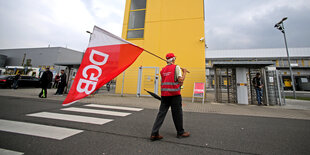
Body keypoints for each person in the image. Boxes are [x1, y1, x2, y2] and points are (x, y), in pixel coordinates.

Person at [150, 53, 190, 141]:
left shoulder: (163, 70)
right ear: (173, 59)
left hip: (164, 95)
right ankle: (180, 132)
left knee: (161, 114)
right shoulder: (176, 67)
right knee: (177, 114)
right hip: (174, 95)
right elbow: (180, 81)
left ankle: (154, 133)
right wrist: (184, 72)